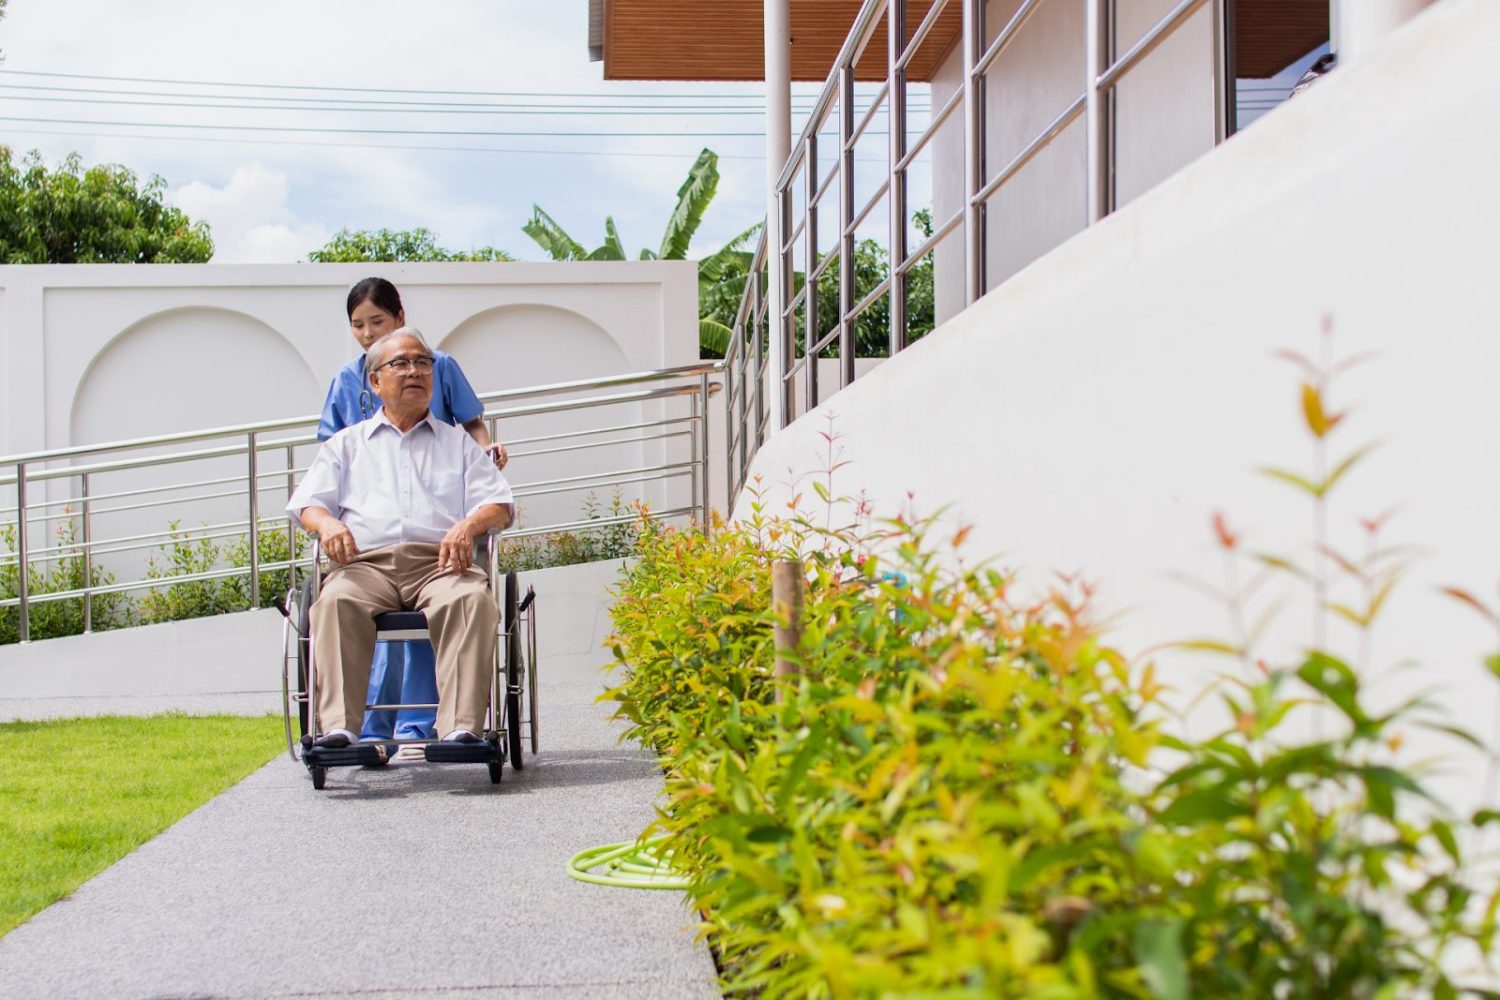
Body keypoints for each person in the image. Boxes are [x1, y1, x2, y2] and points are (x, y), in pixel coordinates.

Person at [288, 330, 514, 748]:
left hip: (441, 565)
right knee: (335, 603)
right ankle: (338, 730)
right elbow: (308, 505)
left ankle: (460, 730)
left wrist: (468, 525)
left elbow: (499, 505)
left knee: (471, 600)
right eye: (402, 364)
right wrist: (328, 525)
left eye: (423, 363)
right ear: (375, 383)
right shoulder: (346, 446)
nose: (415, 372)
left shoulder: (458, 443)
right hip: (365, 565)